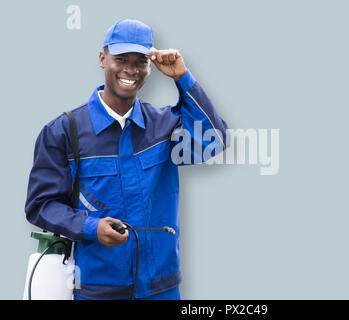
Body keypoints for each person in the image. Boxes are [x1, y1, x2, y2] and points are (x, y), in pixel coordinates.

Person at [25, 19, 228, 300]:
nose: (130, 70)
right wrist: (91, 228)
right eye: (120, 59)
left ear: (149, 66)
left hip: (162, 289)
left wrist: (183, 78)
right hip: (97, 290)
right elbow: (41, 206)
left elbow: (214, 141)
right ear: (102, 59)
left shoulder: (165, 127)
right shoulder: (63, 131)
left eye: (140, 61)